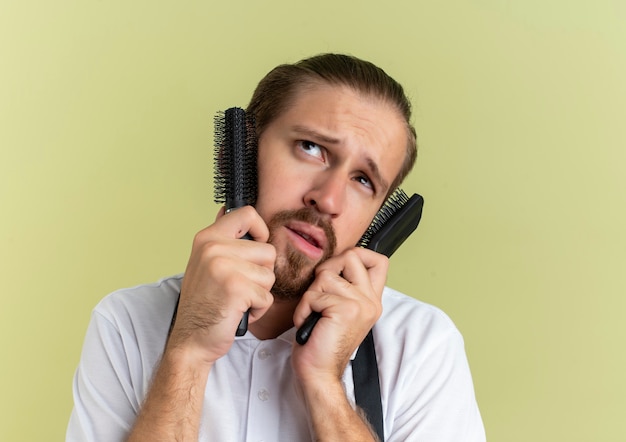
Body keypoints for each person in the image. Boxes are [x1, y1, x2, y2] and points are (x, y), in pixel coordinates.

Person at [67, 53, 485, 441]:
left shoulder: (422, 345)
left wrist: (325, 384)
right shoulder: (126, 325)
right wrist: (188, 352)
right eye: (312, 148)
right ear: (240, 154)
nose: (328, 199)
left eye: (363, 180)